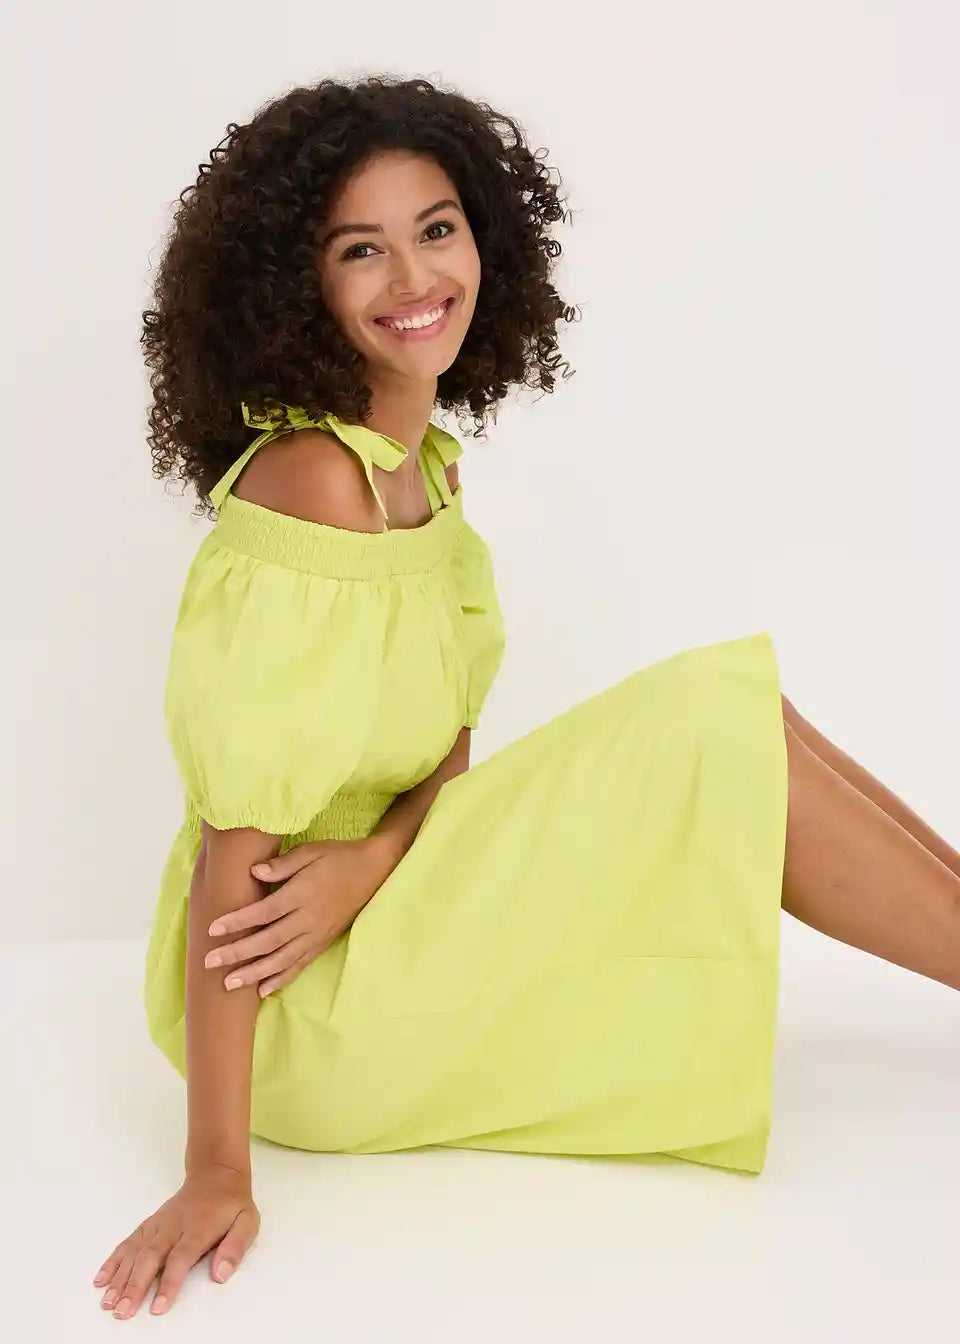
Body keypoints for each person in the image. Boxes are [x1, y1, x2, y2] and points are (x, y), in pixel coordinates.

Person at [93, 74, 960, 1321]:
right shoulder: (312, 484)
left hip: (384, 907)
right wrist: (215, 1168)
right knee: (709, 727)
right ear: (294, 287)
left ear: (484, 240)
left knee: (741, 719)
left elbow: (440, 768)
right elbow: (239, 863)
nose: (414, 277)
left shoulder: (422, 474)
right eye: (361, 250)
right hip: (294, 1005)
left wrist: (368, 865)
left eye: (437, 229)